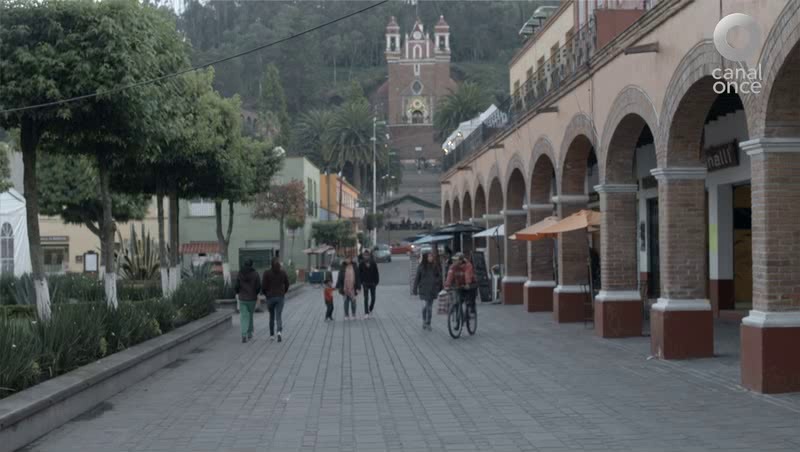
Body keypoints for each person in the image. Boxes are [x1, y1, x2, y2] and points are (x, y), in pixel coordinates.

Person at [445, 252, 477, 327]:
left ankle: (470, 311)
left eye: (456, 260)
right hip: (459, 286)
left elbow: (467, 274)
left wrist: (468, 284)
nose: (454, 261)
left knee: (469, 300)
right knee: (458, 301)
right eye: (454, 260)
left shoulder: (467, 265)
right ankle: (459, 320)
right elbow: (449, 276)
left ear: (461, 260)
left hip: (470, 284)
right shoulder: (453, 267)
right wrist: (447, 285)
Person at [262, 257, 290, 342]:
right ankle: (279, 332)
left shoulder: (266, 273)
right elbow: (287, 284)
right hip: (280, 297)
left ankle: (271, 335)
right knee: (278, 316)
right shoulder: (283, 273)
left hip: (270, 297)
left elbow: (263, 286)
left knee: (271, 316)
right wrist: (284, 292)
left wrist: (266, 294)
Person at [413, 252, 442, 331]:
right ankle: (424, 321)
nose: (431, 258)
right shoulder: (421, 267)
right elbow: (417, 279)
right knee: (426, 307)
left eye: (432, 256)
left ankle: (428, 323)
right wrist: (415, 289)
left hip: (432, 289)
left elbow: (439, 276)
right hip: (424, 289)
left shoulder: (434, 266)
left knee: (429, 307)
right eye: (429, 256)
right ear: (426, 257)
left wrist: (436, 282)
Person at [234, 259, 261, 343]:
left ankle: (243, 334)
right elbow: (258, 286)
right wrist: (256, 293)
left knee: (244, 316)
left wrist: (238, 292)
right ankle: (249, 333)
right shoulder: (255, 274)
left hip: (242, 298)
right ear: (251, 265)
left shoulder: (240, 273)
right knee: (250, 315)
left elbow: (236, 285)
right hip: (252, 298)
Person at [336, 256, 360, 320]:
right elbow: (340, 277)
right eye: (346, 258)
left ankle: (353, 314)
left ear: (351, 259)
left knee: (353, 301)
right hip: (345, 287)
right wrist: (338, 286)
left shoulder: (354, 266)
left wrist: (358, 287)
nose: (347, 260)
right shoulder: (342, 266)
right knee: (346, 302)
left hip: (353, 287)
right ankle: (346, 315)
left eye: (349, 258)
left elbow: (358, 277)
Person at [358, 248, 380, 319]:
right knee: (366, 298)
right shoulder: (361, 263)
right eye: (365, 255)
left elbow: (376, 273)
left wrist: (376, 282)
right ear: (363, 256)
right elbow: (359, 273)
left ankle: (370, 308)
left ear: (369, 256)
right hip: (365, 283)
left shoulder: (373, 263)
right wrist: (361, 281)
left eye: (367, 255)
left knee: (373, 298)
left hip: (373, 283)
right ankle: (366, 312)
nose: (366, 256)